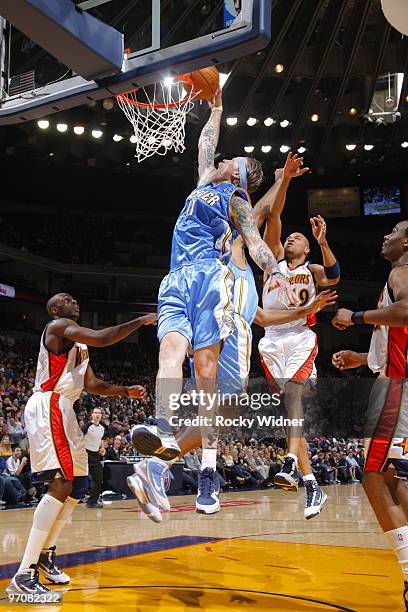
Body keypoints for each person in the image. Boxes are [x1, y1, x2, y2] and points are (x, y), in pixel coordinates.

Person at [129, 86, 300, 517]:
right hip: (175, 279)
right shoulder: (206, 180)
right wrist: (218, 105)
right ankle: (162, 428)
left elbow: (257, 242)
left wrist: (276, 270)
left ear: (238, 175)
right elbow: (206, 143)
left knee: (208, 377)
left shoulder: (236, 197)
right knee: (169, 353)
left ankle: (207, 470)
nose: (224, 159)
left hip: (209, 279)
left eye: (232, 162)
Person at [6, 292, 154, 599]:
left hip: (66, 409)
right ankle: (24, 574)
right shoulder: (57, 326)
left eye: (73, 299)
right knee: (61, 483)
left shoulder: (80, 344)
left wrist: (124, 391)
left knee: (79, 485)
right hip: (49, 403)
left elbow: (92, 384)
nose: (73, 301)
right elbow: (103, 337)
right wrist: (141, 321)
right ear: (55, 309)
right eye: (66, 298)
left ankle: (46, 555)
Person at [331, 221, 408, 610]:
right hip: (393, 376)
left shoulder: (402, 272)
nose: (385, 235)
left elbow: (407, 312)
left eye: (393, 230)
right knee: (393, 476)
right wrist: (363, 357)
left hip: (398, 386)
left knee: (374, 477)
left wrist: (355, 316)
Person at [258, 160, 341, 519]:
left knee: (294, 396)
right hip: (270, 339)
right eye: (290, 237)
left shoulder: (312, 269)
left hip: (300, 337)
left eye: (299, 238)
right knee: (294, 416)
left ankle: (290, 461)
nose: (291, 238)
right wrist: (285, 182)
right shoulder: (271, 259)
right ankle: (311, 485)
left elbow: (335, 276)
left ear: (305, 251)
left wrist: (323, 242)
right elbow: (274, 217)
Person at [82, 407, 106, 508]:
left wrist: (102, 447)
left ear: (101, 416)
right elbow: (79, 437)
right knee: (78, 478)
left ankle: (92, 502)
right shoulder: (87, 426)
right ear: (92, 415)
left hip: (95, 455)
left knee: (98, 478)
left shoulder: (102, 428)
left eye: (99, 413)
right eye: (95, 413)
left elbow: (100, 439)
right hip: (84, 454)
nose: (97, 415)